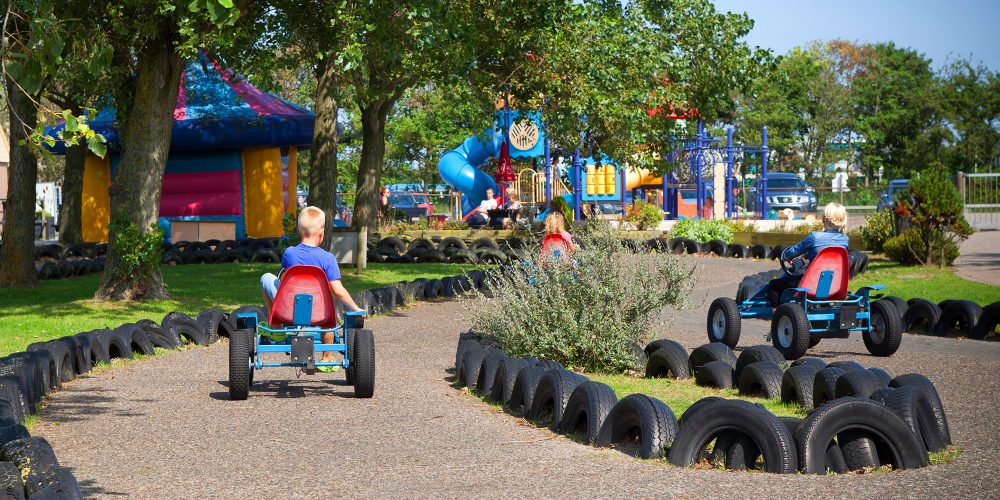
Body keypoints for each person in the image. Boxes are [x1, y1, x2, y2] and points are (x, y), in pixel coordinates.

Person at [260, 206, 362, 373]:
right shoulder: (328, 258)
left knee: (266, 278)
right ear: (322, 232)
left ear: (299, 230)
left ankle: (276, 328)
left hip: (288, 308)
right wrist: (356, 308)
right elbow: (338, 290)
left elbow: (284, 277)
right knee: (329, 316)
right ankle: (327, 358)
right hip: (320, 312)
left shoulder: (289, 253)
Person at [767, 202, 850, 306]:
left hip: (810, 284)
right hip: (834, 285)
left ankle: (777, 315)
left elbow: (795, 250)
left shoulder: (815, 237)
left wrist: (785, 255)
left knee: (774, 285)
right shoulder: (844, 240)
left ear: (824, 218)